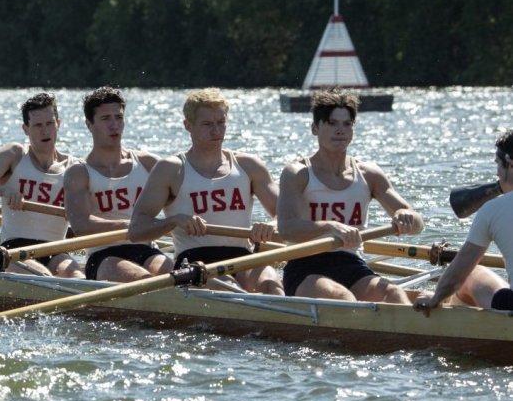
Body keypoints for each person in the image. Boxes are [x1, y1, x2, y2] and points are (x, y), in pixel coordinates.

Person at [128, 88, 283, 294]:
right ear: (188, 126)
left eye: (221, 123)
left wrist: (271, 225)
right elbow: (136, 229)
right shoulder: (171, 169)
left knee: (272, 287)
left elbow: (287, 215)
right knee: (233, 292)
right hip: (195, 262)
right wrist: (174, 221)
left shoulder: (249, 165)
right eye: (208, 124)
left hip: (243, 257)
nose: (216, 131)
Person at [276, 88, 423, 303]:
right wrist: (329, 226)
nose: (340, 131)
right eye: (332, 123)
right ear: (315, 128)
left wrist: (406, 216)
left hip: (351, 263)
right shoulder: (297, 173)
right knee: (343, 299)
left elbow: (418, 223)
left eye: (347, 124)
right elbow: (287, 229)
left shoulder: (369, 174)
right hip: (305, 266)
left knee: (394, 294)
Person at [0, 93, 83, 278]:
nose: (45, 131)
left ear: (58, 124)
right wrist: (3, 190)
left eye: (49, 124)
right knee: (44, 277)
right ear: (26, 129)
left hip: (56, 251)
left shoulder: (74, 167)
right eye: (37, 125)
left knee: (78, 279)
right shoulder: (15, 155)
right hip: (14, 249)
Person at [63, 86, 173, 282]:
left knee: (177, 277)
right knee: (147, 281)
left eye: (118, 118)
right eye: (106, 119)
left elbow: (183, 200)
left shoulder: (149, 164)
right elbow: (80, 225)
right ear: (89, 124)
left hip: (146, 249)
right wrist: (130, 225)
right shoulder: (79, 172)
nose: (114, 125)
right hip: (104, 255)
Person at [414, 130, 513, 312]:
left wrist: (436, 298)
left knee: (471, 274)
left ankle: (462, 333)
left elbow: (459, 271)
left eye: (498, 165)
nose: (497, 174)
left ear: (510, 163)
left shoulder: (492, 209)